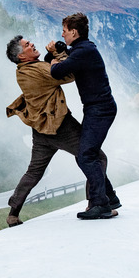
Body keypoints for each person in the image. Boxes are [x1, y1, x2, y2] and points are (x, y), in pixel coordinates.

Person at [5, 35, 120, 227]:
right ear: (22, 56)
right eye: (27, 45)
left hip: (40, 131)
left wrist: (51, 57)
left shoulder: (22, 72)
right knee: (94, 157)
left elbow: (49, 70)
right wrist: (60, 54)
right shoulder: (39, 69)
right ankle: (96, 203)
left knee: (33, 172)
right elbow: (68, 74)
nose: (32, 44)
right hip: (61, 127)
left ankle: (13, 213)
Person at [49, 13, 118, 220]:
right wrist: (56, 53)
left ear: (73, 32)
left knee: (85, 156)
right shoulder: (83, 49)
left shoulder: (83, 52)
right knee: (90, 154)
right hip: (97, 108)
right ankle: (110, 198)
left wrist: (53, 60)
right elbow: (67, 57)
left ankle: (101, 204)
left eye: (64, 30)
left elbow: (57, 72)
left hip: (100, 110)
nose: (62, 33)